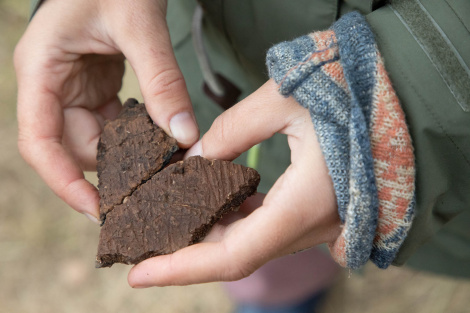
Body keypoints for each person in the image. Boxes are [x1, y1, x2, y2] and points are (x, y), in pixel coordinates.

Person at [15, 0, 470, 311]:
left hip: (445, 131)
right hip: (213, 63)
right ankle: (280, 292)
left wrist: (398, 98)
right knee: (260, 238)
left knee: (271, 210)